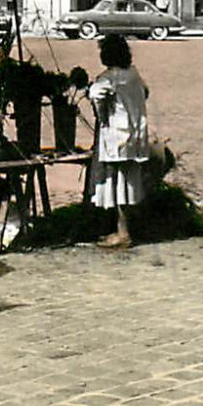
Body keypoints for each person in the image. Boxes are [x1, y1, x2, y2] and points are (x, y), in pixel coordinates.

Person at [88, 33, 150, 250]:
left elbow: (95, 94)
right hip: (135, 134)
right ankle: (124, 229)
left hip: (116, 135)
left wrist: (102, 115)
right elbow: (146, 92)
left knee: (118, 183)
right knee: (129, 181)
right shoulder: (133, 74)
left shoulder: (109, 78)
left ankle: (123, 232)